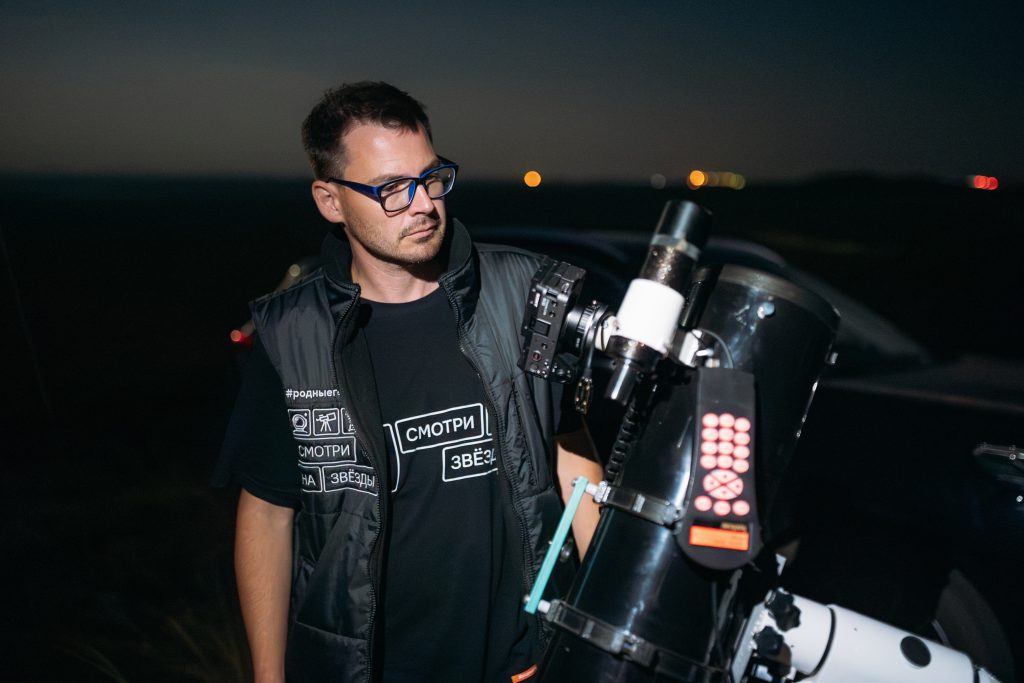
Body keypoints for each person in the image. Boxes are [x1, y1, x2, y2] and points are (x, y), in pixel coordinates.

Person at [216, 81, 603, 683]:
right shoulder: (291, 333)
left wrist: (596, 635)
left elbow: (571, 455)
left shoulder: (524, 295)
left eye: (431, 178)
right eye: (391, 188)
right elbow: (267, 514)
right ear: (330, 201)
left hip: (520, 663)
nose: (423, 204)